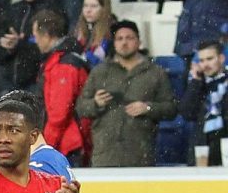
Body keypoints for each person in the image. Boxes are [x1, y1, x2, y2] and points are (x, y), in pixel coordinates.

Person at [75, 21, 175, 167]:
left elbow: (171, 109)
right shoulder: (100, 72)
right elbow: (81, 108)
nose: (124, 43)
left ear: (139, 42)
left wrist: (148, 108)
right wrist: (96, 103)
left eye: (129, 38)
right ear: (114, 43)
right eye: (119, 39)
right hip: (105, 154)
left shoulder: (155, 72)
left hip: (140, 154)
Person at [32, 10, 90, 163]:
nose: (35, 41)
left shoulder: (63, 65)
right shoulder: (64, 59)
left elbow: (59, 114)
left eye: (36, 36)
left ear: (45, 35)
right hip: (67, 142)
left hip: (67, 145)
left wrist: (45, 147)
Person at [181, 40, 225, 166]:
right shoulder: (197, 84)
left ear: (221, 58)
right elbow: (186, 113)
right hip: (203, 147)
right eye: (202, 60)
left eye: (210, 59)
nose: (205, 64)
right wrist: (196, 81)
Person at [71, 0, 115, 65]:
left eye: (94, 6)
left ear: (104, 9)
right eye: (85, 6)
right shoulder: (77, 30)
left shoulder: (112, 32)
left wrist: (87, 57)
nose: (88, 10)